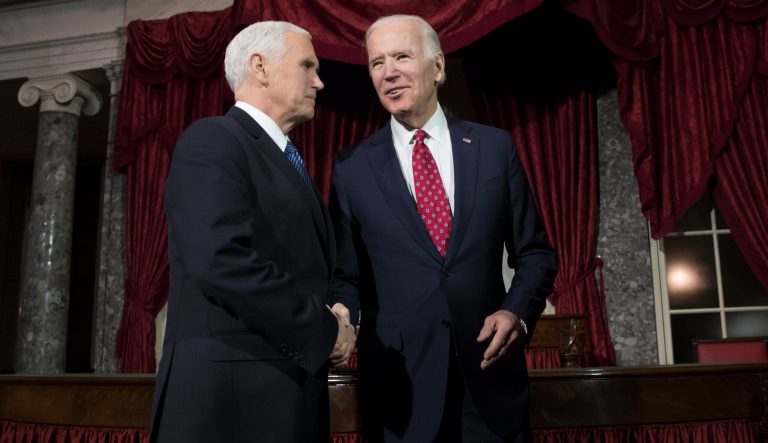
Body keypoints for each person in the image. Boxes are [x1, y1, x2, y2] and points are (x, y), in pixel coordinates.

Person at [329, 15, 557, 443]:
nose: (388, 71)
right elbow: (345, 276)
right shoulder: (351, 168)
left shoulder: (493, 148)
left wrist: (516, 313)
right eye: (376, 63)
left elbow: (536, 254)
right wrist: (342, 313)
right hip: (401, 394)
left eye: (401, 56)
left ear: (438, 67)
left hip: (490, 383)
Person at [150, 21, 356, 443]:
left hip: (283, 392)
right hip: (232, 405)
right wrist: (324, 328)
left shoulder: (287, 160)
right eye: (307, 65)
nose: (319, 81)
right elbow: (221, 259)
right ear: (259, 67)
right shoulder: (213, 139)